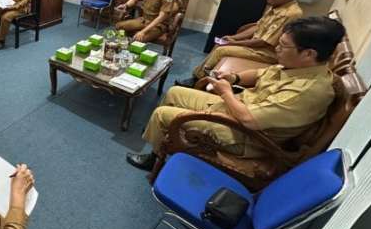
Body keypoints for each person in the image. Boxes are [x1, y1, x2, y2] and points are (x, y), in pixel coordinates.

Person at [126, 16, 345, 172]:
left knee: (162, 114)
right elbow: (259, 74)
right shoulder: (296, 67)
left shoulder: (306, 91)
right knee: (174, 92)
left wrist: (226, 93)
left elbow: (249, 120)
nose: (277, 49)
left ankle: (155, 157)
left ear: (308, 54)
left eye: (283, 46)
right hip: (235, 109)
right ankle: (160, 143)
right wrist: (234, 78)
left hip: (245, 135)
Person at [177, 0, 303, 87]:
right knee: (221, 43)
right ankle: (200, 76)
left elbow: (264, 42)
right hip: (258, 46)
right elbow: (257, 27)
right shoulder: (277, 6)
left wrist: (236, 43)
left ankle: (198, 80)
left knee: (222, 50)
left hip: (267, 52)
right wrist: (234, 38)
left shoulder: (290, 14)